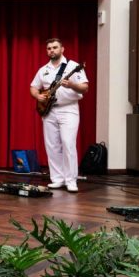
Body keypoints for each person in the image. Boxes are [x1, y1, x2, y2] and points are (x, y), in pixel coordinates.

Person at [30, 38, 88, 193]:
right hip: (50, 110)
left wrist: (72, 85)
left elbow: (84, 88)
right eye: (49, 48)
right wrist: (38, 96)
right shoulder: (44, 69)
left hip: (68, 109)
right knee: (52, 145)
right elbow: (33, 87)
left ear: (62, 49)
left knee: (68, 143)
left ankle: (71, 180)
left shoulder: (74, 66)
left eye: (55, 47)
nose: (52, 50)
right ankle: (57, 179)